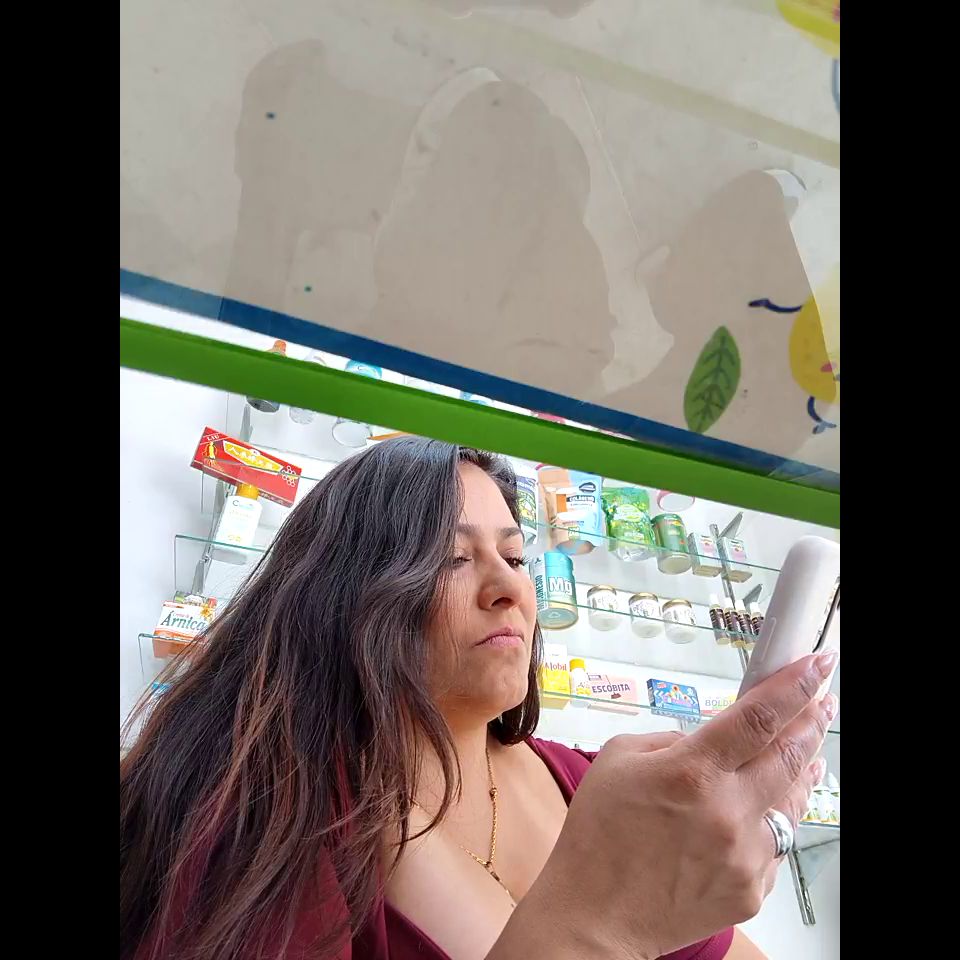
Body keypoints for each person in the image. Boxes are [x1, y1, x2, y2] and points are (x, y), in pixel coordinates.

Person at [121, 437, 836, 960]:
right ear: (343, 593)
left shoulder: (588, 781)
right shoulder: (269, 811)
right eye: (452, 558)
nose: (509, 587)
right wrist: (597, 929)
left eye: (517, 557)